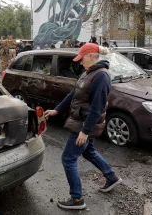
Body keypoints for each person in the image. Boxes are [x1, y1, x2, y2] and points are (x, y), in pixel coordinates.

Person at [44, 43, 122, 210]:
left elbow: (97, 107)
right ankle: (111, 177)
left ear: (92, 57)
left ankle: (77, 199)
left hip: (84, 124)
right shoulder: (89, 73)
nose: (79, 62)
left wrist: (85, 131)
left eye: (82, 58)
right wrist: (57, 110)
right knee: (89, 151)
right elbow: (74, 94)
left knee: (68, 158)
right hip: (82, 122)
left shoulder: (101, 76)